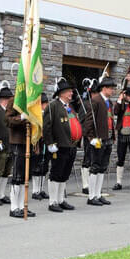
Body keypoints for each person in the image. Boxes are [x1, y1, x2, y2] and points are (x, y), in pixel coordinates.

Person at [43, 79, 82, 212]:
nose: (71, 93)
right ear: (61, 93)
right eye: (69, 91)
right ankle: (53, 201)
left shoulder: (69, 107)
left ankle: (61, 199)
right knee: (56, 173)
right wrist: (50, 143)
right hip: (59, 145)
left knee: (65, 173)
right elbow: (47, 126)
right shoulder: (53, 106)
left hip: (71, 145)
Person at [84, 73, 116, 206]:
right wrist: (90, 137)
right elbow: (89, 121)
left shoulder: (109, 102)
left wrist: (113, 136)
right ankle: (91, 196)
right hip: (98, 138)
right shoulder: (96, 100)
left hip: (107, 137)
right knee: (95, 167)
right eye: (110, 88)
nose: (112, 90)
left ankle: (98, 194)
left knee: (103, 167)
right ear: (104, 88)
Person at [5, 99, 36, 218]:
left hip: (30, 140)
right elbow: (7, 120)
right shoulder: (15, 100)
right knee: (18, 175)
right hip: (18, 141)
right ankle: (14, 207)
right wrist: (21, 117)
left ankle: (23, 206)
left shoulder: (33, 99)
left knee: (25, 176)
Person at [113, 74, 130, 191]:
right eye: (127, 95)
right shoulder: (121, 104)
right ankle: (118, 182)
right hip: (122, 134)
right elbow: (115, 112)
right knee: (120, 158)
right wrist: (119, 99)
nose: (129, 97)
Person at [31, 92, 50, 200]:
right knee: (37, 167)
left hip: (46, 143)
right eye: (44, 103)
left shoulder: (47, 114)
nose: (46, 105)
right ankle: (35, 190)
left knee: (44, 167)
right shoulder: (35, 115)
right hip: (38, 143)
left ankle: (41, 189)